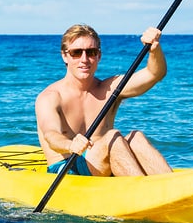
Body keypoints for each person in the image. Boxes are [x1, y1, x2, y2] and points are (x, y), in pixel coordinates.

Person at [35, 23, 172, 177]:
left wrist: (154, 49)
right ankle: (143, 192)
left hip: (102, 165)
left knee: (136, 138)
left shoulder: (110, 88)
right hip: (67, 169)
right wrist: (70, 144)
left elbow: (154, 74)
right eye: (76, 53)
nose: (84, 59)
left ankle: (174, 187)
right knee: (112, 139)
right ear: (65, 56)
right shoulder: (50, 97)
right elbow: (51, 135)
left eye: (91, 52)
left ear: (99, 56)